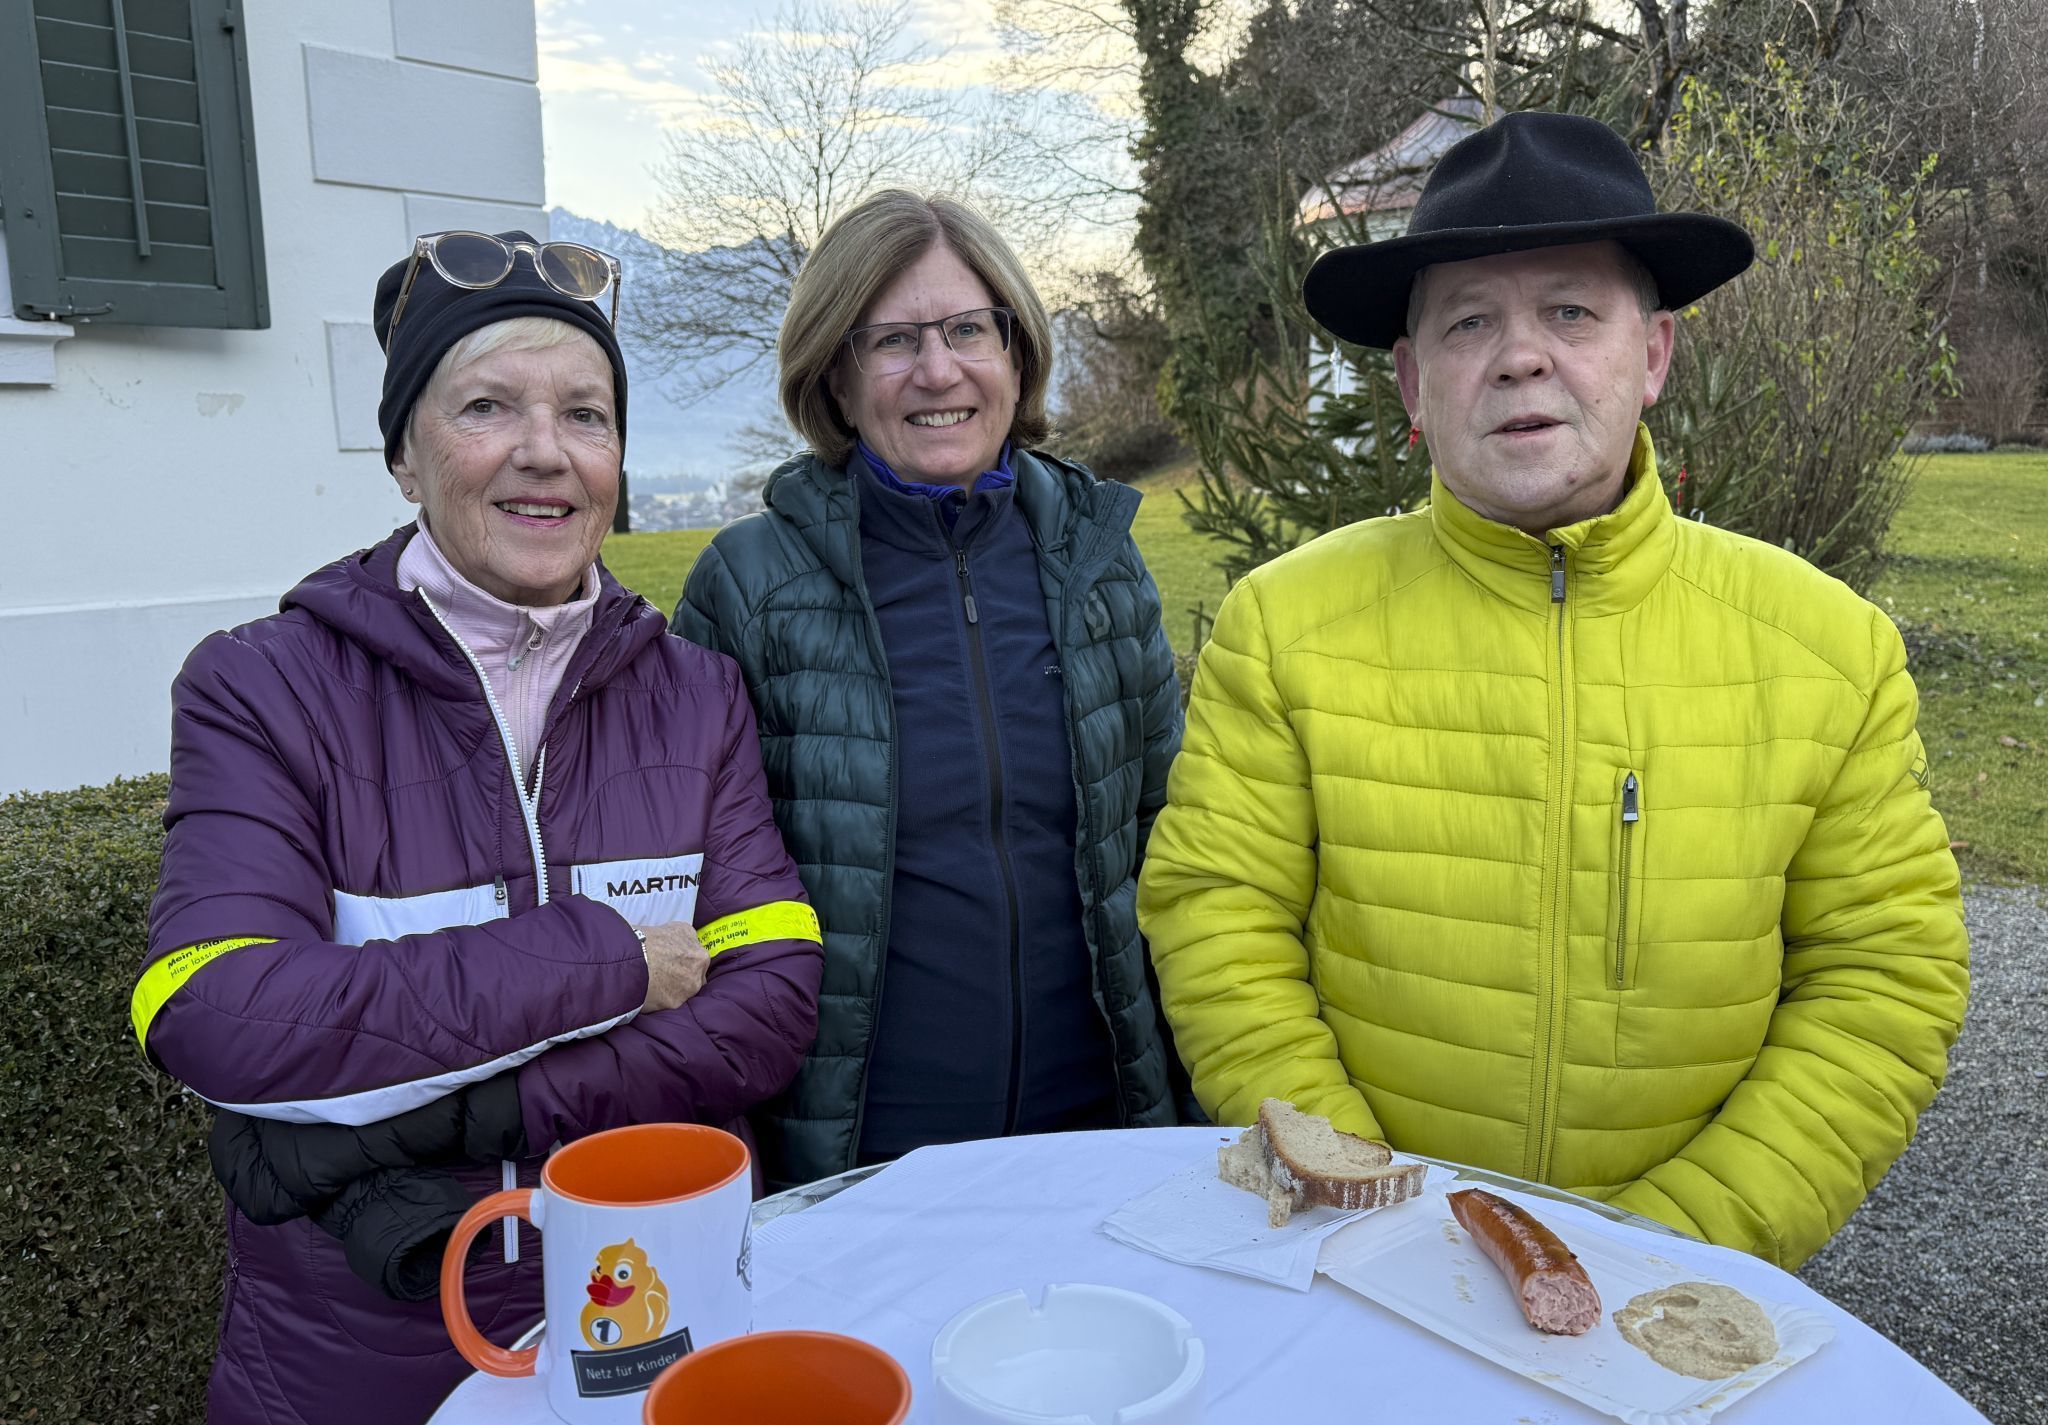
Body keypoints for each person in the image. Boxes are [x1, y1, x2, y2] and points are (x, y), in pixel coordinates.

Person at [1137, 112, 1968, 1270]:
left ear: (1655, 355)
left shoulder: (1828, 649)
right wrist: (1373, 1206)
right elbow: (1218, 914)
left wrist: (1671, 1246)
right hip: (1358, 1256)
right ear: (1413, 383)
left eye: (1569, 312)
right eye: (1469, 321)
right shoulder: (1284, 627)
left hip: (1677, 1278)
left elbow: (1882, 978)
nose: (1520, 355)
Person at [131, 230, 823, 1425]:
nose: (544, 450)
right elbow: (215, 1011)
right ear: (404, 452)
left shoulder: (696, 691)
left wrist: (447, 1113)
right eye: (487, 407)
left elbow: (774, 995)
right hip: (359, 1403)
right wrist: (608, 962)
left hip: (657, 1348)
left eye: (585, 413)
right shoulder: (262, 687)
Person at [675, 190, 1186, 1190]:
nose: (938, 370)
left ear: (1015, 350)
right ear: (835, 370)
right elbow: (702, 890)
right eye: (892, 341)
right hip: (858, 1157)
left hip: (1099, 1138)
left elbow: (1172, 834)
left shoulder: (1100, 563)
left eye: (966, 329)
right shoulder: (750, 585)